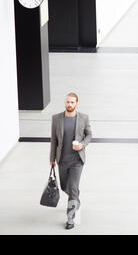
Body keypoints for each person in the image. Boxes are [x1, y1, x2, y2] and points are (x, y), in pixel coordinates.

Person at [50, 93, 92, 230]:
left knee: (73, 188)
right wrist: (52, 159)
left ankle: (70, 218)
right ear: (65, 103)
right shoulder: (56, 119)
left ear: (77, 103)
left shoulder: (84, 118)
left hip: (77, 161)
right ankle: (76, 200)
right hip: (62, 160)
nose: (69, 104)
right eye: (67, 102)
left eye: (72, 102)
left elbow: (89, 135)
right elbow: (54, 141)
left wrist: (82, 145)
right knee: (64, 187)